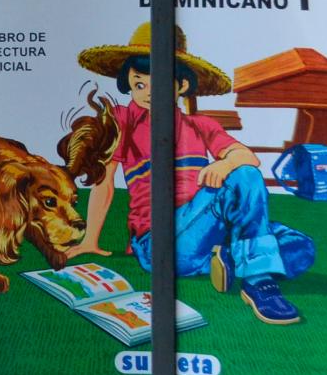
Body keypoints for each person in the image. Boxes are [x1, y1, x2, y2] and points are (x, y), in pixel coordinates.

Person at [61, 23, 311, 325]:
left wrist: (224, 163)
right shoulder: (122, 120)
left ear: (180, 86)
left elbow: (247, 157)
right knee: (248, 194)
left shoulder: (200, 125)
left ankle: (228, 261)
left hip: (209, 231)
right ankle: (258, 280)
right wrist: (90, 239)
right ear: (128, 83)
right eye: (139, 84)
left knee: (302, 246)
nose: (148, 93)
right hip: (160, 242)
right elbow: (104, 182)